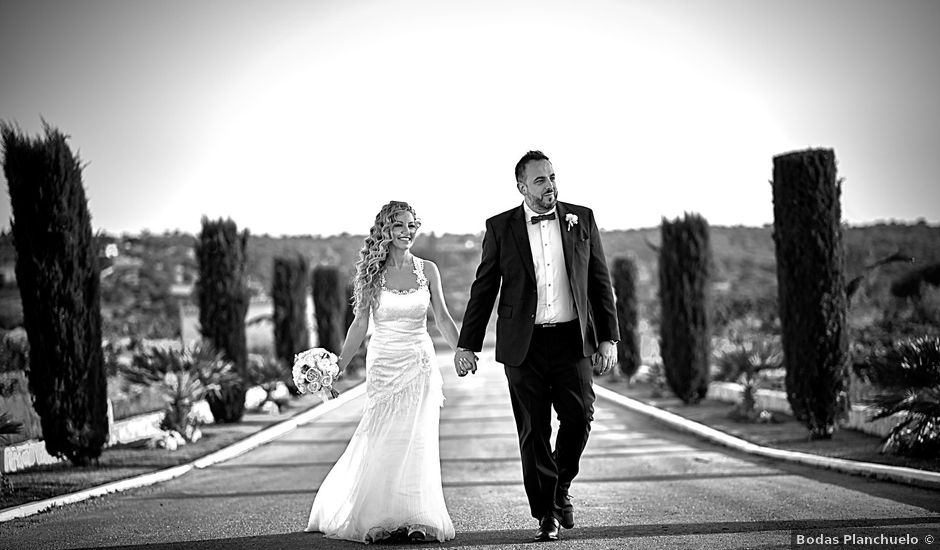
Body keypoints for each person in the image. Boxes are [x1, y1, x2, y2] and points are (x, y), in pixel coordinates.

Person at [454, 150, 619, 542]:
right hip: (522, 346)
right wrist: (467, 345)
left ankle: (560, 488)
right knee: (534, 430)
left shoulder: (583, 218)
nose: (551, 185)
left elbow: (599, 281)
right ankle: (546, 513)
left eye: (553, 176)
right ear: (522, 187)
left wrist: (609, 337)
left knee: (580, 418)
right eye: (541, 179)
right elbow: (484, 288)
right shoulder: (500, 227)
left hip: (571, 340)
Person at [306, 200, 458, 544]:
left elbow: (443, 319)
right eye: (399, 226)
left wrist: (462, 350)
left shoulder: (428, 270)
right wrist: (337, 368)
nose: (407, 232)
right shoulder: (370, 274)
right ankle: (378, 518)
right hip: (384, 364)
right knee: (384, 438)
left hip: (419, 362)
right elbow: (359, 325)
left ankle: (418, 517)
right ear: (386, 231)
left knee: (417, 439)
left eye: (411, 225)